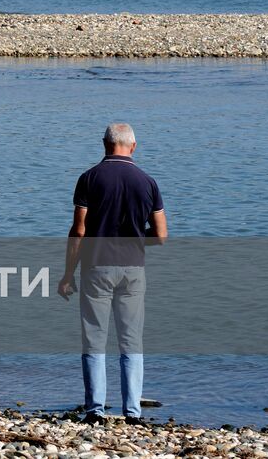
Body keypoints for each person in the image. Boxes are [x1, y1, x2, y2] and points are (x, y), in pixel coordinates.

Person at [58, 122, 168, 424]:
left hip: (96, 267)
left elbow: (79, 230)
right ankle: (132, 412)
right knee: (131, 341)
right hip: (133, 269)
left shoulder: (89, 179)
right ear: (133, 147)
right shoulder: (148, 182)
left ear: (105, 145)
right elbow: (160, 235)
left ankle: (95, 411)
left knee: (94, 338)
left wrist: (68, 273)